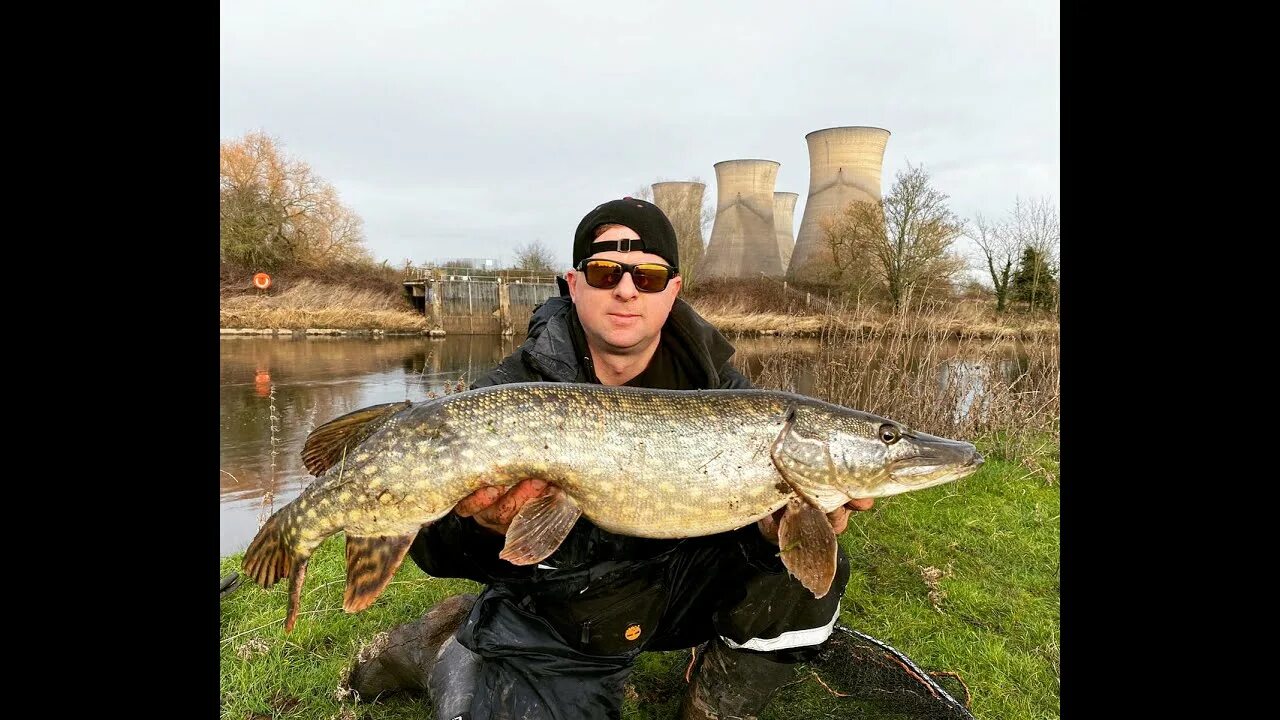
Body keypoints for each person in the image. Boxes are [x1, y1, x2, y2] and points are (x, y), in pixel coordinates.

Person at [347, 197, 874, 720]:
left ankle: (715, 704)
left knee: (804, 572)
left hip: (677, 586)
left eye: (647, 277)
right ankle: (441, 643)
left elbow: (744, 527)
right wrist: (483, 527)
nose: (626, 290)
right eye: (604, 273)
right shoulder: (510, 392)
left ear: (673, 291)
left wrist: (772, 533)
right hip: (564, 607)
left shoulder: (723, 392)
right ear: (574, 285)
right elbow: (435, 550)